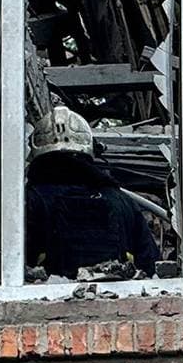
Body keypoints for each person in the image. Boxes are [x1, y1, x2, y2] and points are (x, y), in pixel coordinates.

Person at [25, 106, 161, 279]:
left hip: (43, 295)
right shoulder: (122, 201)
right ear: (89, 149)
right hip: (119, 295)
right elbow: (151, 268)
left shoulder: (28, 201)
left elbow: (6, 266)